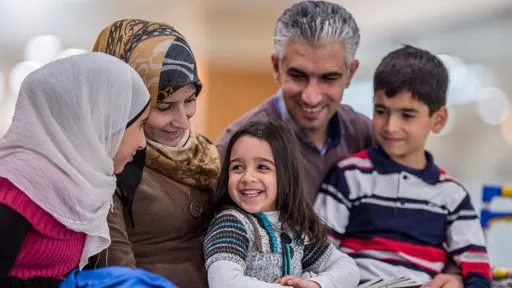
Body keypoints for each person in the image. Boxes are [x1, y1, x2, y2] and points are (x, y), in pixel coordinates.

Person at [314, 45, 492, 287]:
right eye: (381, 111)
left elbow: (476, 265)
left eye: (407, 115)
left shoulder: (452, 195)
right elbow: (317, 250)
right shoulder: (349, 175)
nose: (390, 126)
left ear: (438, 120)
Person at [0, 52, 151, 287]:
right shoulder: (15, 186)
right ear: (103, 122)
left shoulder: (81, 182)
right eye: (140, 125)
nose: (143, 143)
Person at [90, 19, 220, 288]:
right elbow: (117, 277)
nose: (183, 121)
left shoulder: (204, 155)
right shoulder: (108, 167)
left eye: (190, 100)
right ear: (124, 102)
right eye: (164, 106)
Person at [215, 0, 372, 205]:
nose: (311, 96)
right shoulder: (234, 146)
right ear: (276, 67)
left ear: (351, 73)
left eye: (328, 78)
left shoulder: (366, 136)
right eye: (298, 76)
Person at [204, 120, 360, 288]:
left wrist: (315, 284)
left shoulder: (294, 227)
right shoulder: (230, 224)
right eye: (237, 167)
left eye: (262, 167)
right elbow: (224, 282)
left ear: (286, 175)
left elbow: (348, 268)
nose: (247, 177)